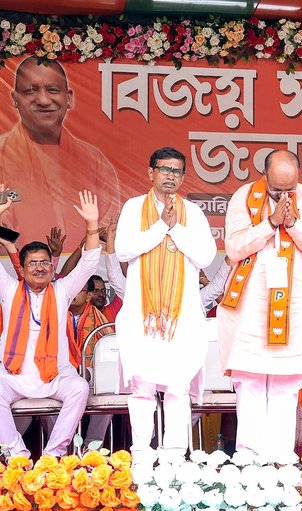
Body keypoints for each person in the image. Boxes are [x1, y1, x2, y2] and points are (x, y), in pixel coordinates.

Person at [218, 149, 302, 463]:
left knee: (285, 381)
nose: (284, 195)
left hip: (292, 305)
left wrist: (293, 225)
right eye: (277, 190)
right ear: (263, 175)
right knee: (250, 379)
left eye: (289, 190)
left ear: (298, 175)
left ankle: (280, 457)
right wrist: (270, 223)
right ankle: (250, 457)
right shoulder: (244, 196)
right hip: (251, 304)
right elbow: (234, 247)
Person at [114, 147, 216, 462]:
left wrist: (175, 228)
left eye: (176, 171)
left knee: (177, 385)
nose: (170, 176)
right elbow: (123, 251)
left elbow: (206, 256)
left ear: (183, 177)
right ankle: (142, 452)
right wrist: (161, 226)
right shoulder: (133, 208)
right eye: (164, 169)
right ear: (151, 173)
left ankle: (173, 453)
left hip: (181, 317)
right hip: (141, 315)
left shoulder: (193, 213)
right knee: (142, 385)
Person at [0, 190, 101, 457]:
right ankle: (17, 456)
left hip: (55, 374)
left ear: (51, 267)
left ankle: (53, 455)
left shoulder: (62, 291)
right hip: (14, 374)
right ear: (21, 268)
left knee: (79, 388)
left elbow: (89, 264)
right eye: (33, 263)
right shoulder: (9, 290)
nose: (40, 267)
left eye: (45, 262)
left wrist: (92, 226)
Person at [0, 57, 120, 243]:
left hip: (81, 268)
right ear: (15, 99)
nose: (43, 100)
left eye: (52, 90)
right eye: (30, 91)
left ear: (69, 98)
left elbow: (109, 234)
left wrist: (77, 257)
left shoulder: (95, 162)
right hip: (15, 266)